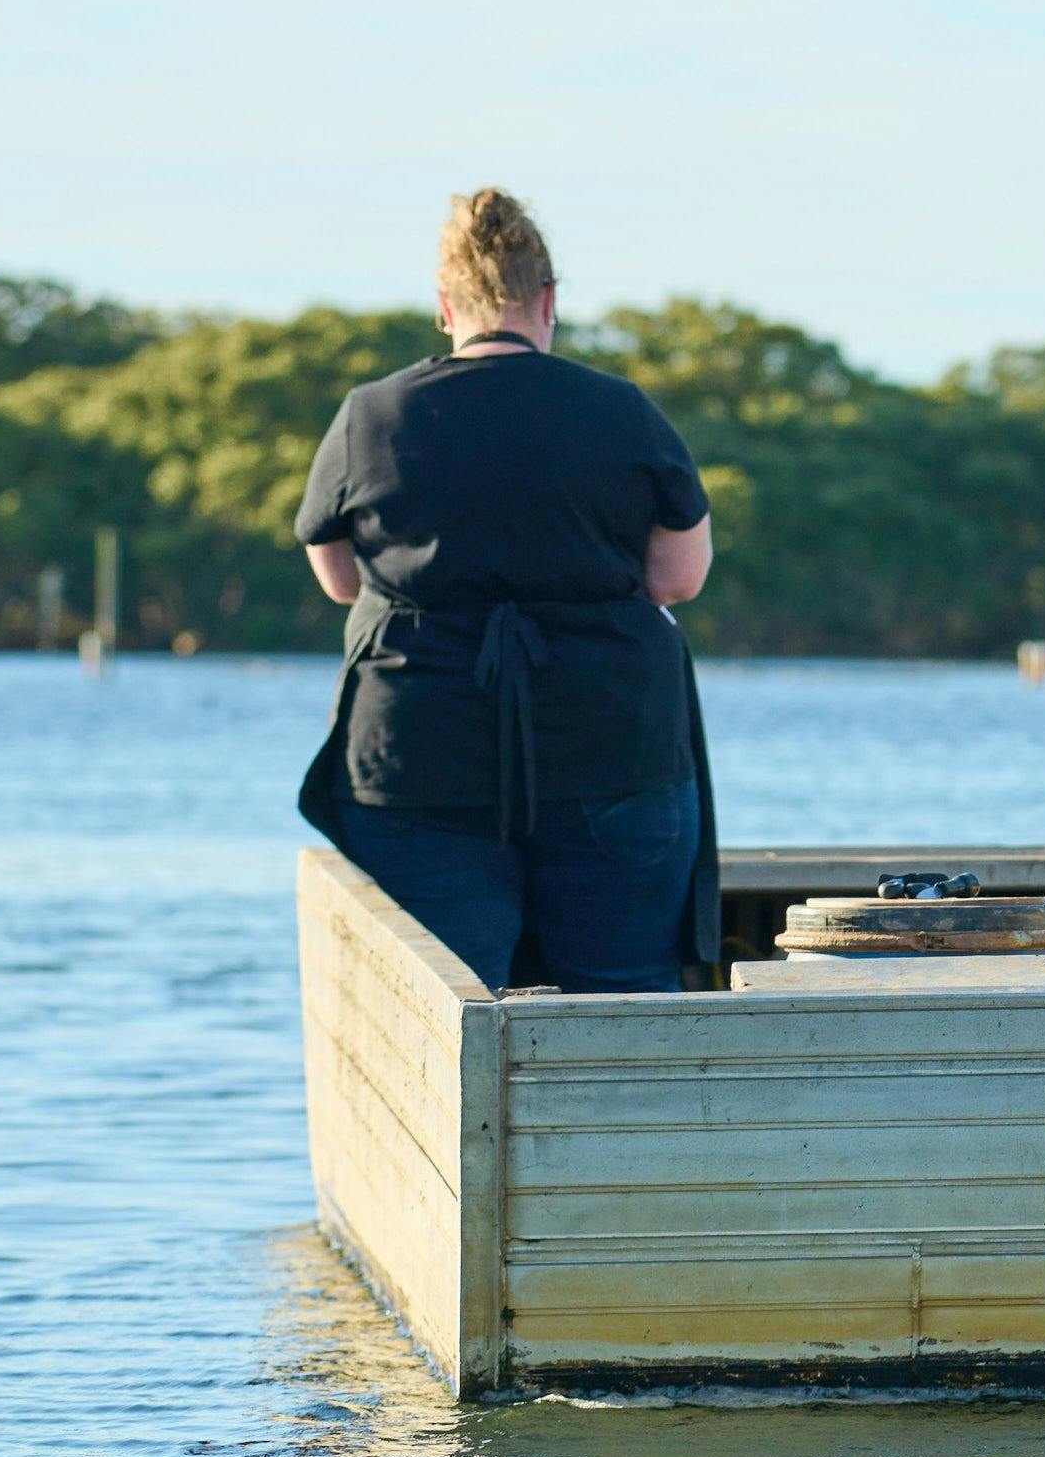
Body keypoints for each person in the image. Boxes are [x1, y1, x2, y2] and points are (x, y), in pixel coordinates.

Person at [291, 188, 722, 991]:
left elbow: (341, 578)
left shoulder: (371, 416)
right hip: (611, 749)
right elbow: (678, 576)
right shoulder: (623, 412)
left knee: (436, 1015)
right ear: (548, 300)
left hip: (419, 759)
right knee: (620, 1011)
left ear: (444, 305)